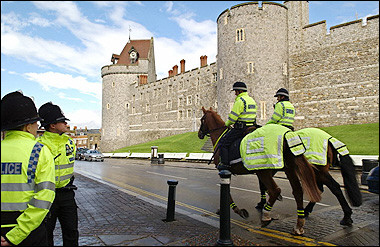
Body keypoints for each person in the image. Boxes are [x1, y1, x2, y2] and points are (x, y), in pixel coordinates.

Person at [1, 91, 55, 246]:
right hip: (29, 232)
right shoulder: (39, 151)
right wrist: (16, 235)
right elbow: (44, 199)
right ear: (27, 126)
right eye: (36, 123)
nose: (37, 126)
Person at [37, 102, 78, 246]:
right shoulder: (39, 145)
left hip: (67, 194)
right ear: (52, 125)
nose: (66, 124)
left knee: (72, 232)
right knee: (46, 234)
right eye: (62, 121)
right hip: (47, 195)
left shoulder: (69, 142)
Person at [218, 81, 257, 170]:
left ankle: (225, 164)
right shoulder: (252, 100)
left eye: (236, 91)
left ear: (239, 91)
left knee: (223, 143)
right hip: (252, 126)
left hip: (241, 128)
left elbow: (233, 117)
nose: (235, 94)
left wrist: (227, 124)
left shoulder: (240, 101)